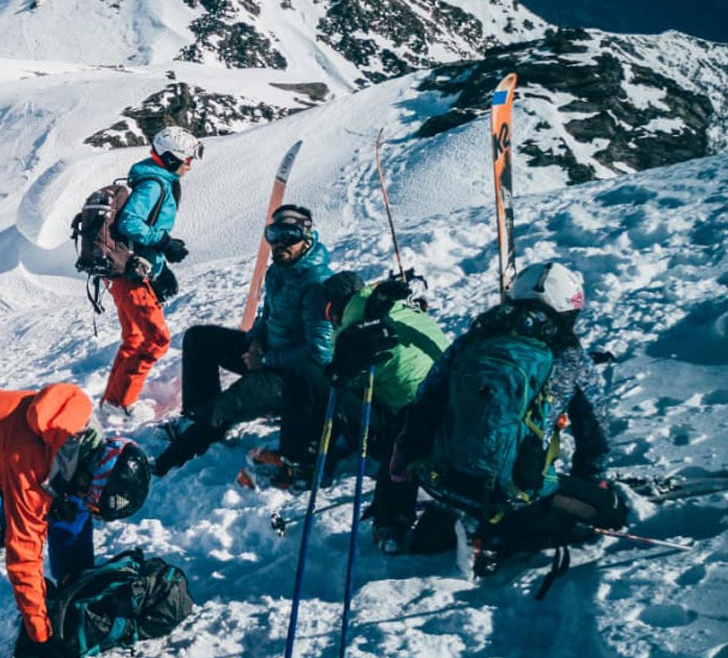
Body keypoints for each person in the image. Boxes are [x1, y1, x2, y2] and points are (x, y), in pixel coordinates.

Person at [374, 260, 623, 562]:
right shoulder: (569, 354)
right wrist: (590, 478)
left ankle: (405, 524)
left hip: (440, 480)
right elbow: (595, 433)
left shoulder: (474, 339)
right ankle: (493, 536)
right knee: (608, 510)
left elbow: (425, 397)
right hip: (511, 494)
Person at [0, 384, 151, 658]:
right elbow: (23, 556)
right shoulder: (31, 467)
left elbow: (73, 488)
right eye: (92, 497)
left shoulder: (87, 440)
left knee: (72, 512)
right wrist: (41, 635)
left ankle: (73, 600)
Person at [154, 205, 333, 477]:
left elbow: (319, 353)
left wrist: (265, 360)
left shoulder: (315, 284)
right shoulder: (279, 271)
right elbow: (266, 316)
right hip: (268, 354)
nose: (279, 243)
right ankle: (197, 417)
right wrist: (255, 342)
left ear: (307, 238)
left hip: (293, 378)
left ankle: (166, 463)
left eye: (289, 235)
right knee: (199, 339)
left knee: (226, 405)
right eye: (273, 235)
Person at [99, 126, 201, 415]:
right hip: (131, 274)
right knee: (155, 338)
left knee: (135, 337)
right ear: (170, 158)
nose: (190, 164)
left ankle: (113, 403)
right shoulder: (153, 184)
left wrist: (161, 268)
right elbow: (130, 223)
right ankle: (123, 404)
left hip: (131, 271)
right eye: (187, 158)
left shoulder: (156, 180)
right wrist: (165, 242)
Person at [319, 270, 449, 479]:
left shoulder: (349, 331)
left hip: (413, 418)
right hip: (452, 399)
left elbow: (343, 378)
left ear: (334, 310)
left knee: (329, 384)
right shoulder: (403, 306)